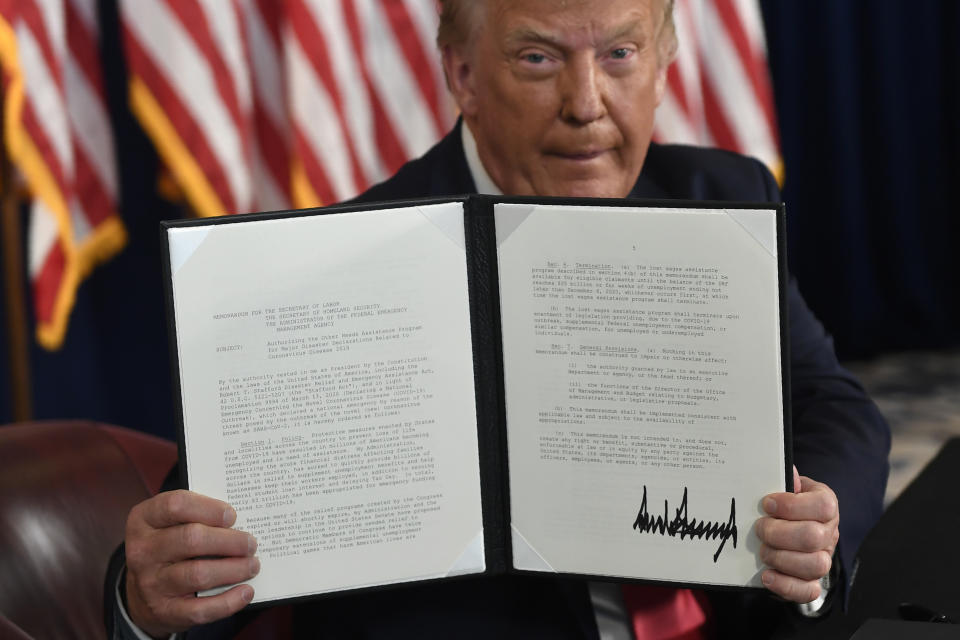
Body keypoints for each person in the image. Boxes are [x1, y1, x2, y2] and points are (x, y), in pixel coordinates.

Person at [106, 0, 890, 637]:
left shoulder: (723, 198)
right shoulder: (331, 269)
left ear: (663, 63)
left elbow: (833, 403)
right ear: (463, 74)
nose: (587, 106)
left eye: (620, 53)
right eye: (539, 59)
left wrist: (816, 522)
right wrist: (147, 607)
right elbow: (201, 570)